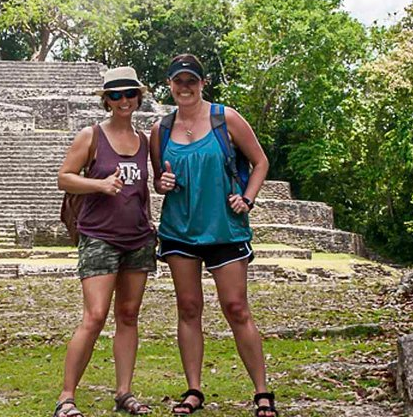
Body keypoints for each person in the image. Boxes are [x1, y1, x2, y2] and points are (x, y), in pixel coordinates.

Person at [150, 54, 278, 417]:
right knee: (189, 308)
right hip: (179, 230)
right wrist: (162, 182)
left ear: (202, 83)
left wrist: (248, 198)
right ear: (170, 85)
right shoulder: (160, 130)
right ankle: (193, 390)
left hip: (224, 227)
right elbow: (160, 181)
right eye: (179, 81)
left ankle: (262, 391)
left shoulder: (226, 118)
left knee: (236, 308)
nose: (185, 87)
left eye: (191, 80)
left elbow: (260, 161)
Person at [54, 66, 157, 417]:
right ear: (106, 100)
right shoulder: (91, 135)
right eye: (116, 95)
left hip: (138, 238)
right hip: (99, 236)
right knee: (95, 316)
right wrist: (98, 185)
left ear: (138, 98)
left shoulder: (144, 141)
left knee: (128, 315)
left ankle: (124, 392)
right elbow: (64, 178)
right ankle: (66, 397)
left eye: (130, 94)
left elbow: (149, 186)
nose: (124, 100)